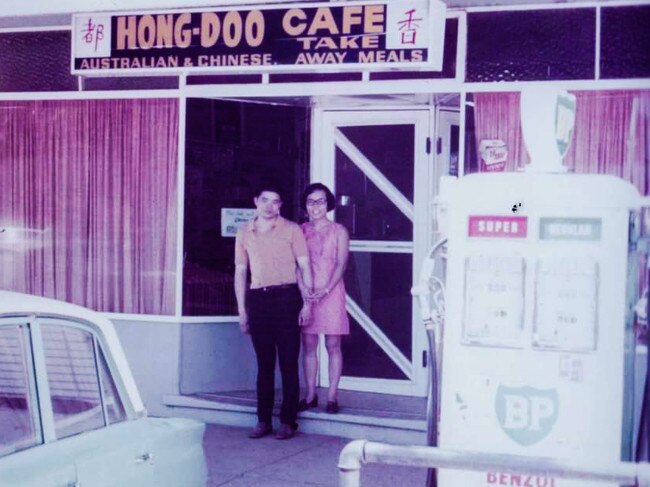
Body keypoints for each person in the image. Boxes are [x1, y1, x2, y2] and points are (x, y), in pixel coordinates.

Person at [234, 183, 313, 440]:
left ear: (281, 205)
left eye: (276, 201)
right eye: (265, 199)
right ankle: (263, 420)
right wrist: (242, 311)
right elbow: (240, 272)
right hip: (259, 299)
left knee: (288, 363)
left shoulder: (292, 230)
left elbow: (304, 266)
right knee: (264, 364)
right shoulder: (244, 232)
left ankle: (288, 421)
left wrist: (307, 303)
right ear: (256, 200)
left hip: (287, 298)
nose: (269, 205)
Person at [297, 183, 350, 414]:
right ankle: (310, 394)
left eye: (320, 201)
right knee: (308, 344)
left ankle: (332, 396)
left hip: (332, 291)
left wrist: (327, 289)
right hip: (306, 294)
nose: (315, 206)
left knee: (333, 344)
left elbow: (341, 264)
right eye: (311, 201)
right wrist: (304, 293)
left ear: (328, 204)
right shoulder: (300, 230)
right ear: (305, 205)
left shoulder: (339, 231)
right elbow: (297, 265)